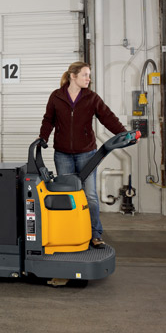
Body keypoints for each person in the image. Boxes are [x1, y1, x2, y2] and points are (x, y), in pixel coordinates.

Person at [39, 61, 126, 249]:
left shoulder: (91, 97)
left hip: (87, 153)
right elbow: (48, 120)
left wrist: (123, 133)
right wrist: (42, 138)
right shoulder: (56, 96)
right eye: (85, 75)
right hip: (62, 154)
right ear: (73, 76)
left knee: (90, 195)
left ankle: (95, 235)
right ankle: (70, 232)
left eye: (89, 75)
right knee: (67, 194)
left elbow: (107, 117)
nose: (89, 78)